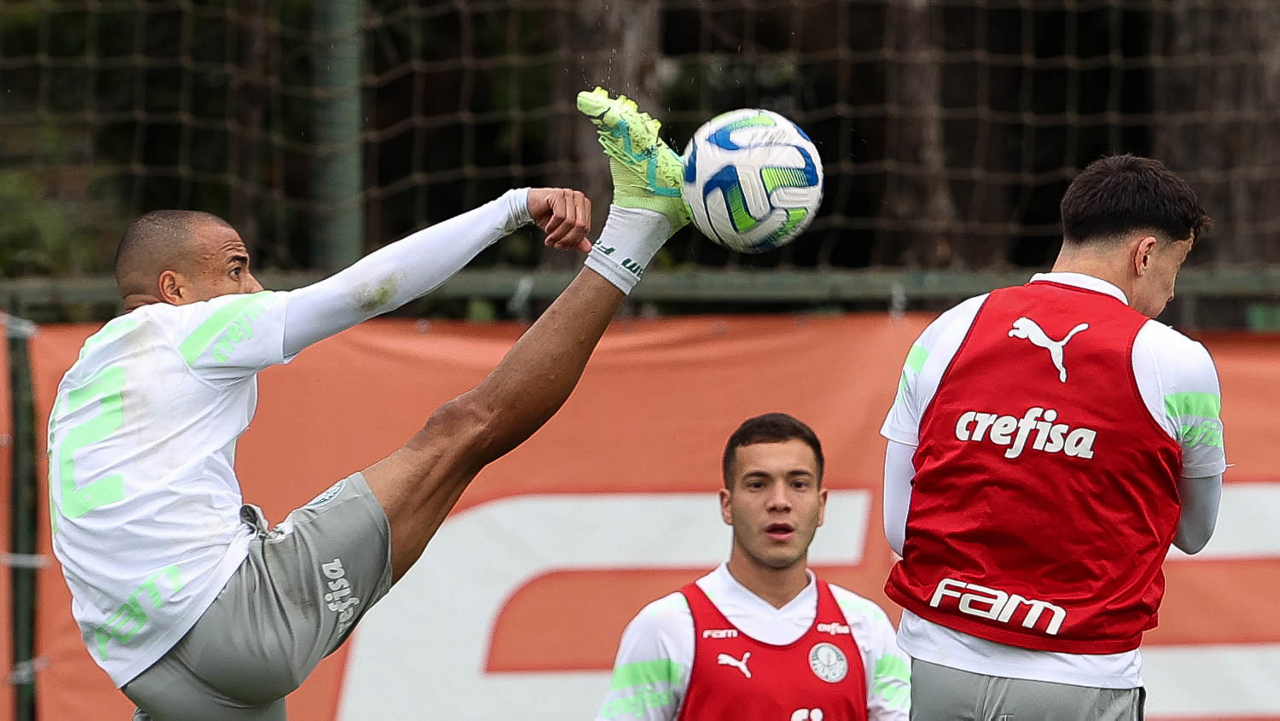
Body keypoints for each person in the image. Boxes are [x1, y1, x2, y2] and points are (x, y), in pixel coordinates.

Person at [46, 87, 690, 720]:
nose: (255, 288)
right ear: (174, 288)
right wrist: (513, 206)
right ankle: (641, 223)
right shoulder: (180, 327)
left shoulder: (79, 382)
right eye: (237, 269)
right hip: (236, 620)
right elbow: (362, 292)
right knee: (464, 430)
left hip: (146, 672)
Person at [881, 154, 1226, 719]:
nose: (1170, 293)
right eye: (1176, 266)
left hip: (937, 662)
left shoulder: (950, 327)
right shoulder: (1178, 360)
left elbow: (901, 526)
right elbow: (1193, 532)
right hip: (1080, 672)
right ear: (1144, 255)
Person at [597, 413, 911, 721]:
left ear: (821, 505)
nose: (780, 501)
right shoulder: (666, 626)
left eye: (798, 484)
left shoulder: (866, 626)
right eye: (758, 484)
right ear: (727, 505)